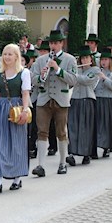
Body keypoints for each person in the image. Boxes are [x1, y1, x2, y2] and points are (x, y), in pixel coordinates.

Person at [30, 30, 77, 176]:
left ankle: (62, 163)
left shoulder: (70, 59)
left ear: (61, 44)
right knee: (42, 132)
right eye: (51, 43)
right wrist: (41, 76)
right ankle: (41, 165)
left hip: (61, 100)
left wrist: (57, 69)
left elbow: (73, 80)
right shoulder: (40, 60)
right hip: (44, 99)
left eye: (56, 43)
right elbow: (33, 79)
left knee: (61, 132)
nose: (53, 46)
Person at [0, 44, 31, 193]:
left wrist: (25, 110)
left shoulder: (24, 73)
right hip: (1, 108)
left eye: (10, 54)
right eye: (5, 54)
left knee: (16, 143)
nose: (6, 57)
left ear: (17, 57)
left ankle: (16, 178)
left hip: (16, 108)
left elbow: (25, 93)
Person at [65, 46, 100, 167]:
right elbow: (70, 82)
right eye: (83, 58)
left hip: (87, 100)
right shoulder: (77, 70)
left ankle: (86, 154)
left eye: (87, 58)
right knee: (73, 127)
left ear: (91, 58)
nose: (84, 60)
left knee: (85, 128)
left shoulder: (95, 70)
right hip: (75, 100)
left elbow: (86, 80)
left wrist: (72, 75)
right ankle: (72, 154)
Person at [94, 48, 112, 158]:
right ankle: (95, 147)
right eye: (102, 60)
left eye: (105, 59)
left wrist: (105, 79)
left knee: (107, 124)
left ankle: (107, 147)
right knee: (96, 124)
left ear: (110, 60)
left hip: (109, 100)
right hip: (97, 99)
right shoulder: (97, 71)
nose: (103, 62)